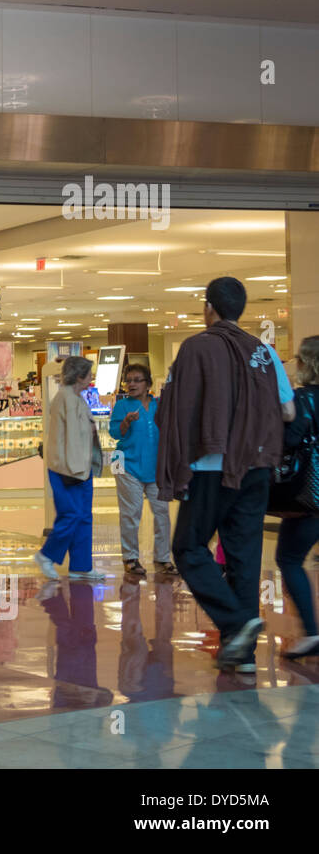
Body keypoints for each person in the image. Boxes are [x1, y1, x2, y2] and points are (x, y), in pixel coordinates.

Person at [156, 277, 295, 674]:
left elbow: (179, 410)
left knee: (188, 548)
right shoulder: (264, 352)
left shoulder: (196, 348)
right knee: (244, 556)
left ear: (209, 308)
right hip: (256, 468)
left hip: (211, 469)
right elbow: (287, 412)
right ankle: (243, 655)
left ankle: (236, 624)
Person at [35, 355, 106, 581]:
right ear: (78, 377)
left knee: (84, 516)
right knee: (72, 514)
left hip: (81, 468)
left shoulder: (75, 398)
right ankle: (47, 555)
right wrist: (78, 471)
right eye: (88, 375)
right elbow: (72, 439)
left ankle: (81, 566)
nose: (91, 379)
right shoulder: (66, 399)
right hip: (69, 469)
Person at [275, 336, 319, 659]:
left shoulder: (302, 399)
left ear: (306, 364)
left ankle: (311, 632)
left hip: (310, 495)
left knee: (289, 558)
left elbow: (291, 439)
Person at [109, 363, 174, 577]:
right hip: (128, 467)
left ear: (148, 384)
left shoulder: (158, 405)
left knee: (162, 513)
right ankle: (130, 557)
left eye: (137, 380)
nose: (132, 384)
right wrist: (126, 422)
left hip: (155, 469)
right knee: (131, 514)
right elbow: (115, 434)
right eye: (129, 380)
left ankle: (163, 558)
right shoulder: (122, 406)